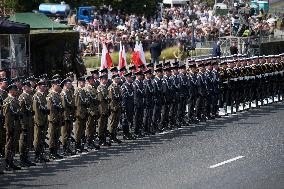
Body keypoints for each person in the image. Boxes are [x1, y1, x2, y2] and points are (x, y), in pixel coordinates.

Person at [3, 84, 21, 170]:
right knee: (9, 144)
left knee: (13, 144)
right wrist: (9, 128)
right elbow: (6, 116)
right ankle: (7, 162)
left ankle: (11, 161)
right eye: (15, 89)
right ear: (10, 90)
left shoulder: (15, 100)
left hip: (16, 125)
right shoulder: (7, 101)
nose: (16, 91)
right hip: (11, 126)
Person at [18, 81, 36, 166]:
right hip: (24, 123)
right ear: (24, 88)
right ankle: (22, 159)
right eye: (28, 87)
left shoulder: (29, 97)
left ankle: (26, 157)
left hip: (29, 122)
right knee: (23, 141)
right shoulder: (22, 97)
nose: (30, 88)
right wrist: (22, 124)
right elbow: (20, 113)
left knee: (28, 140)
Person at [47, 79, 64, 160]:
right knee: (52, 136)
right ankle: (51, 152)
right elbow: (50, 109)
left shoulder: (58, 95)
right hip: (53, 118)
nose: (59, 86)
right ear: (53, 85)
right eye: (57, 84)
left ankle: (55, 152)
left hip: (58, 118)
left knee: (57, 135)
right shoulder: (50, 95)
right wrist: (54, 118)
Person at [60, 79, 76, 156]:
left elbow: (72, 103)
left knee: (69, 132)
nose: (71, 85)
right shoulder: (63, 93)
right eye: (69, 84)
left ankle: (68, 147)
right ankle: (65, 148)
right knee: (65, 133)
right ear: (65, 84)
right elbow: (64, 106)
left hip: (70, 115)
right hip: (65, 115)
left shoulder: (70, 92)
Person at [84, 76, 100, 149]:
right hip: (90, 111)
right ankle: (88, 142)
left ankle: (91, 141)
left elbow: (97, 98)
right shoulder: (87, 89)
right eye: (91, 80)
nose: (93, 80)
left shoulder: (93, 88)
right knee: (89, 127)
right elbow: (88, 101)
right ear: (89, 81)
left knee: (93, 127)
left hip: (94, 110)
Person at [74, 77, 89, 153]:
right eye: (83, 82)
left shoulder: (83, 91)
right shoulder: (77, 92)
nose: (84, 83)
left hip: (83, 113)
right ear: (80, 83)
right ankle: (77, 146)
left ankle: (81, 145)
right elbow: (77, 104)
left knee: (82, 130)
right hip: (79, 114)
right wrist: (78, 114)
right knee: (78, 130)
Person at [108, 74, 122, 143]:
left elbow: (120, 97)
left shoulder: (118, 87)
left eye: (118, 78)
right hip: (113, 107)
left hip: (118, 106)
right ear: (113, 79)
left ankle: (114, 136)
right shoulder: (111, 87)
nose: (118, 79)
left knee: (116, 122)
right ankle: (111, 136)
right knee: (112, 122)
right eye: (117, 78)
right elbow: (111, 99)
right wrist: (114, 107)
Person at [97, 75, 111, 146]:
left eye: (106, 79)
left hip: (106, 108)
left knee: (105, 125)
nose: (105, 80)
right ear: (101, 80)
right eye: (104, 79)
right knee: (101, 125)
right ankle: (100, 139)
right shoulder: (100, 88)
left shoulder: (106, 87)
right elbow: (100, 100)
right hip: (101, 109)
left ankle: (104, 139)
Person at [121, 72, 135, 140]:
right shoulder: (124, 86)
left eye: (131, 77)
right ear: (127, 78)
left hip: (131, 105)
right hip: (126, 106)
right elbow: (123, 98)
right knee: (125, 121)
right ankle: (125, 134)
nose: (131, 78)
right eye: (130, 77)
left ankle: (129, 133)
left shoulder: (131, 85)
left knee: (130, 120)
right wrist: (123, 107)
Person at [133, 70, 145, 137]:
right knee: (136, 118)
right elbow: (135, 95)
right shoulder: (135, 83)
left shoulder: (141, 83)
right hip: (137, 103)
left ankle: (139, 131)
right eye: (140, 75)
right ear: (137, 76)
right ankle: (136, 131)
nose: (142, 76)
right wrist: (135, 103)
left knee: (140, 117)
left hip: (141, 102)